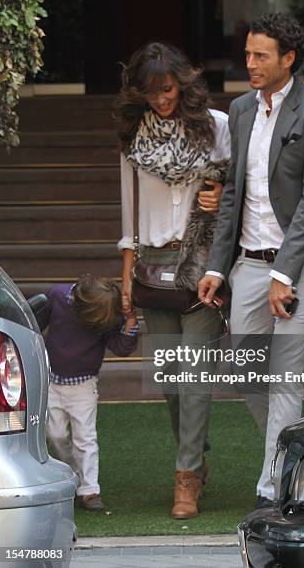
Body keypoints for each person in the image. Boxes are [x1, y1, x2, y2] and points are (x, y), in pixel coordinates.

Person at [198, 12, 304, 508]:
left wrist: (285, 272)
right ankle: (298, 457)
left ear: (288, 58)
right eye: (247, 54)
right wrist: (218, 266)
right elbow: (235, 190)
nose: (251, 63)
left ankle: (273, 487)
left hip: (298, 265)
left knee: (284, 377)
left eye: (261, 55)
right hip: (247, 262)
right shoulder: (240, 109)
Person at [115, 42, 230, 519]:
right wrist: (125, 282)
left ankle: (186, 479)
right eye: (151, 92)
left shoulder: (217, 126)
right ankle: (196, 451)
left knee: (193, 378)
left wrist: (221, 192)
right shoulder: (132, 137)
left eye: (167, 89)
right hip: (153, 269)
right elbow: (129, 214)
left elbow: (243, 188)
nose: (161, 99)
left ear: (183, 81)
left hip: (203, 264)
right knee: (170, 380)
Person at [35, 275, 139, 511]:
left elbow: (121, 347)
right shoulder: (58, 296)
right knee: (56, 435)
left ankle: (90, 490)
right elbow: (34, 323)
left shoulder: (106, 313)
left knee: (85, 438)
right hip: (52, 381)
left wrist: (130, 319)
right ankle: (72, 474)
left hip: (84, 386)